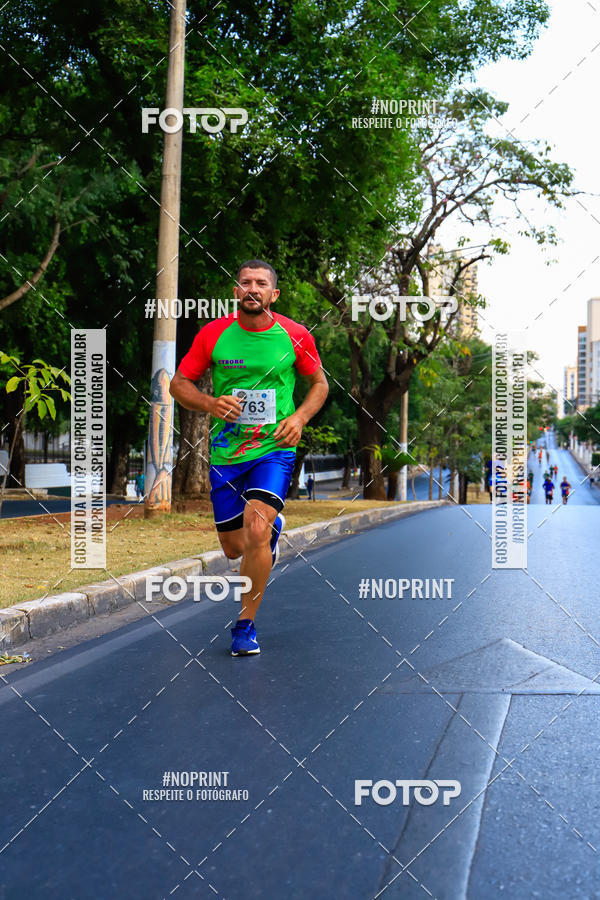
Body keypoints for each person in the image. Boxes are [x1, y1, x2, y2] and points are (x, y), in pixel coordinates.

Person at [169, 259, 329, 656]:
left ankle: (245, 626)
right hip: (227, 450)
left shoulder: (294, 335)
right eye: (245, 283)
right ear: (236, 291)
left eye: (261, 284)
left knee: (257, 530)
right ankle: (269, 529)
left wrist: (300, 417)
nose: (252, 289)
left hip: (274, 448)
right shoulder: (214, 334)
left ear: (273, 295)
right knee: (234, 548)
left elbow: (319, 383)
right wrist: (209, 402)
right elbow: (178, 384)